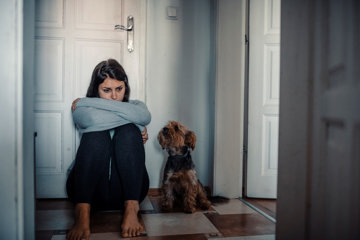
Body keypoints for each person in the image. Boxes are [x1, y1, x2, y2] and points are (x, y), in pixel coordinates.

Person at [66, 59, 151, 240]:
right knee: (97, 134)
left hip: (129, 191)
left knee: (128, 131)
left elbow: (145, 116)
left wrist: (86, 102)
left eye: (119, 89)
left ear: (125, 87)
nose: (114, 97)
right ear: (95, 89)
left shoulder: (136, 106)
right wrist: (138, 125)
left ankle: (131, 208)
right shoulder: (83, 110)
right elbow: (91, 121)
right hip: (89, 191)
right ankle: (82, 212)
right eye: (106, 90)